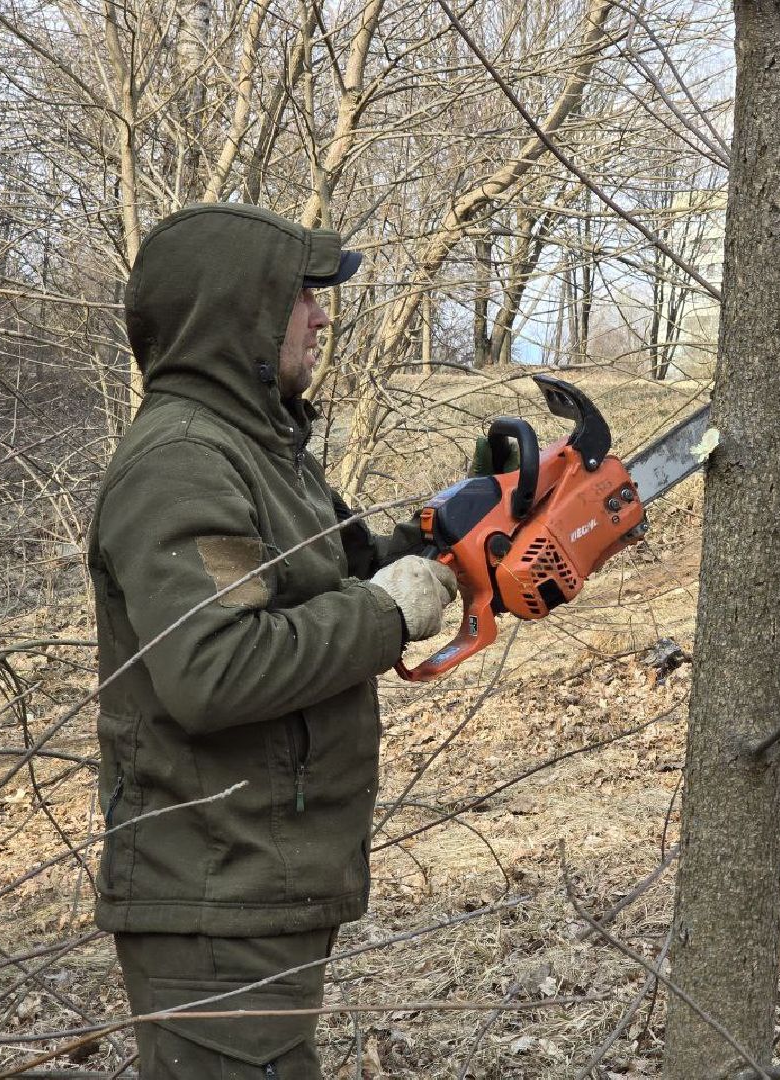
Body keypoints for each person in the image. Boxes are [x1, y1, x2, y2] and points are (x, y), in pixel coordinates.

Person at [87, 203, 460, 1078]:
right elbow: (215, 667)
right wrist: (388, 614)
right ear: (239, 312)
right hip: (213, 895)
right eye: (301, 296)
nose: (321, 316)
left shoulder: (262, 449)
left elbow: (338, 573)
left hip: (255, 882)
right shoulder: (182, 461)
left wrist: (456, 535)